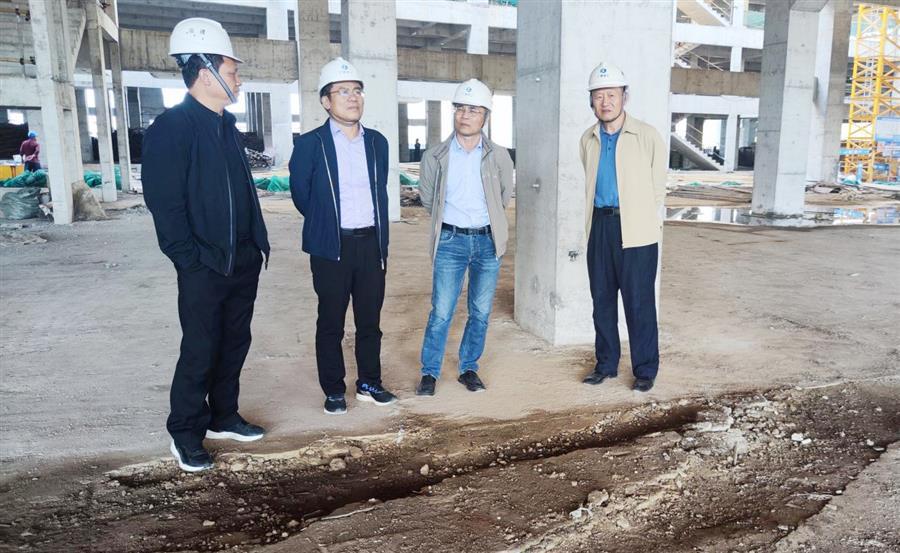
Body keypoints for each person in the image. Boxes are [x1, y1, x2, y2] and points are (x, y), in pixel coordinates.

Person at [142, 18, 271, 472]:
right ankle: (185, 432)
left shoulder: (226, 126)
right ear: (205, 73)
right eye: (233, 72)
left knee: (235, 342)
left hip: (242, 259)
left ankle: (223, 415)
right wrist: (190, 260)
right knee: (201, 347)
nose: (239, 80)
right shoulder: (172, 128)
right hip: (204, 264)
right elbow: (165, 205)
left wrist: (255, 246)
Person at [289, 57, 397, 415]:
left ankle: (369, 382)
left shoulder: (377, 143)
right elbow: (302, 196)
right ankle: (334, 390)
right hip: (331, 248)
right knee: (331, 322)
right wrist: (326, 224)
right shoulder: (310, 144)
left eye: (357, 90)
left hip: (371, 244)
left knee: (370, 322)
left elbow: (379, 191)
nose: (353, 97)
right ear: (326, 100)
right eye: (343, 91)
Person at [414, 79, 513, 396]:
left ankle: (468, 368)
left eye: (473, 110)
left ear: (485, 116)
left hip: (487, 243)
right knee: (442, 311)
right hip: (450, 242)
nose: (465, 115)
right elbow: (428, 199)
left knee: (480, 313)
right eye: (460, 109)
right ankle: (429, 372)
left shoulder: (499, 156)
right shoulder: (435, 156)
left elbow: (503, 197)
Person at [578, 62, 666, 393]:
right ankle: (606, 365)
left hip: (637, 232)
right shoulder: (587, 139)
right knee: (601, 301)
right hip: (600, 226)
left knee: (639, 303)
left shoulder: (647, 135)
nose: (605, 102)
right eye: (599, 96)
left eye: (612, 95)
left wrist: (642, 219)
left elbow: (658, 187)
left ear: (624, 97)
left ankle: (645, 369)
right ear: (591, 100)